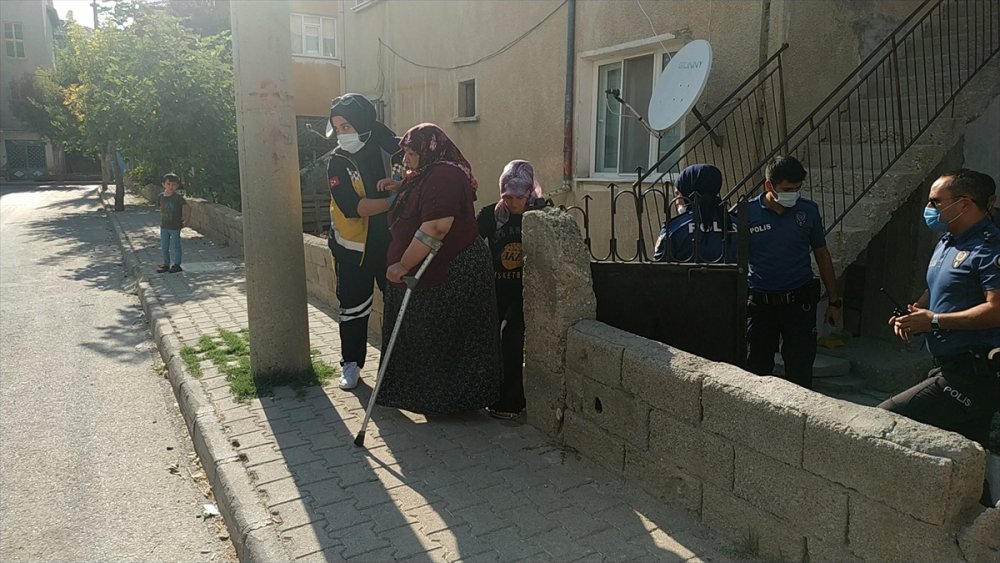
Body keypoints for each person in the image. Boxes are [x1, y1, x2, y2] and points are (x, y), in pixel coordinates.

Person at [374, 123, 502, 415]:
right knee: (431, 339)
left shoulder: (445, 176)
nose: (405, 159)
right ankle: (430, 400)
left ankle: (451, 403)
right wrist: (401, 187)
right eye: (404, 152)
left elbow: (436, 227)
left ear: (429, 150)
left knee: (448, 339)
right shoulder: (428, 172)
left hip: (453, 272)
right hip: (434, 271)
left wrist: (403, 264)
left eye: (410, 153)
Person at [880, 169, 1000, 457]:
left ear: (964, 203)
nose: (929, 208)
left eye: (936, 201)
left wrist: (933, 321)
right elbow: (939, 286)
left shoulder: (990, 248)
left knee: (884, 421)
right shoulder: (947, 241)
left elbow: (996, 309)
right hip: (947, 365)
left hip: (973, 374)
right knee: (966, 457)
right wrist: (917, 312)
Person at [325, 94, 403, 390]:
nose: (342, 134)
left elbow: (416, 176)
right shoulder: (338, 161)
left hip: (392, 245)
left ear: (362, 122)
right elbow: (352, 206)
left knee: (397, 307)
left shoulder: (394, 149)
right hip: (352, 249)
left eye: (346, 126)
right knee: (353, 309)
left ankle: (397, 367)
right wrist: (393, 201)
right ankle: (351, 363)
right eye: (337, 128)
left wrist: (403, 188)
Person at [745, 155, 841, 389]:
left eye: (797, 188)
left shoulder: (808, 211)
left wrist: (834, 302)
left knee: (800, 371)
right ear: (769, 186)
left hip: (799, 304)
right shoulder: (746, 213)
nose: (793, 194)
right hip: (760, 305)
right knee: (756, 370)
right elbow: (734, 260)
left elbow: (822, 255)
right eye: (787, 189)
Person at [477, 160, 546, 420]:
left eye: (519, 197)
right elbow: (470, 243)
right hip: (496, 289)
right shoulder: (491, 215)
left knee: (511, 337)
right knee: (488, 342)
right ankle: (487, 394)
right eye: (508, 197)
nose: (514, 203)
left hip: (525, 291)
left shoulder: (540, 214)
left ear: (529, 193)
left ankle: (511, 402)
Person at [652, 163, 737, 262]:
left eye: (678, 194)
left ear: (688, 191)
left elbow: (658, 265)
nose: (676, 201)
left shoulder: (674, 229)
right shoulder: (738, 225)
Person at [156, 173, 191, 274]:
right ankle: (166, 264)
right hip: (164, 226)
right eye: (168, 184)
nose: (171, 187)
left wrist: (186, 221)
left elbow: (188, 208)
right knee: (164, 246)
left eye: (173, 185)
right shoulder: (161, 196)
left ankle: (177, 265)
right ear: (163, 184)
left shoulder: (177, 198)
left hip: (175, 226)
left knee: (176, 246)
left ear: (177, 186)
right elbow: (160, 207)